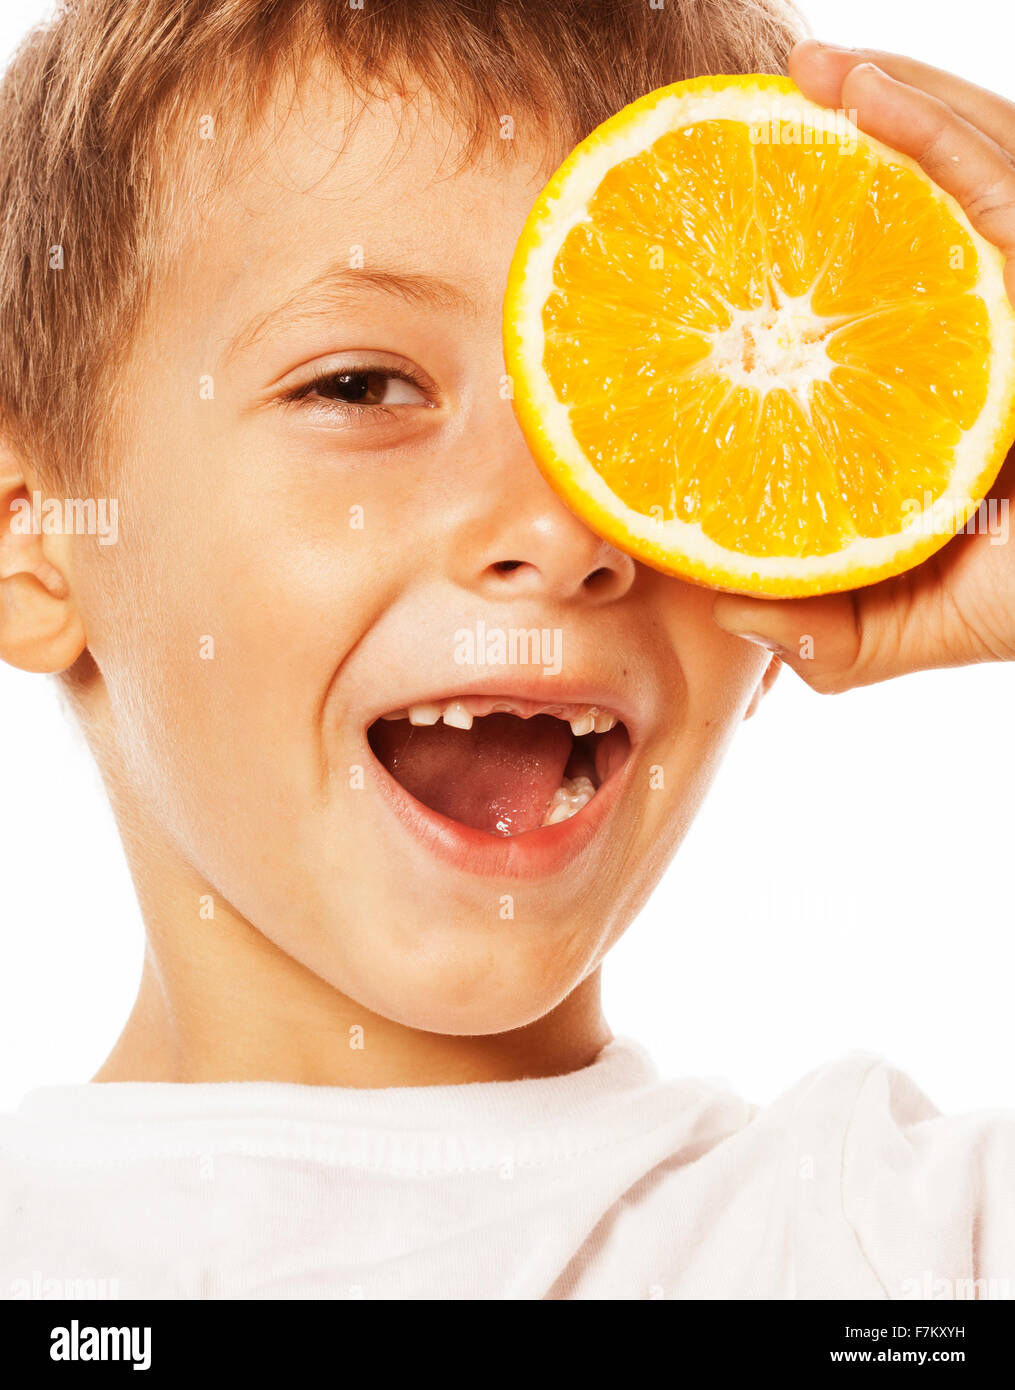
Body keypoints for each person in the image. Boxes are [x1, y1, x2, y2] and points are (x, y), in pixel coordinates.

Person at [0, 0, 1012, 1299]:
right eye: (361, 387)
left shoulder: (902, 1257)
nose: (559, 527)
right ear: (35, 537)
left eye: (671, 400)